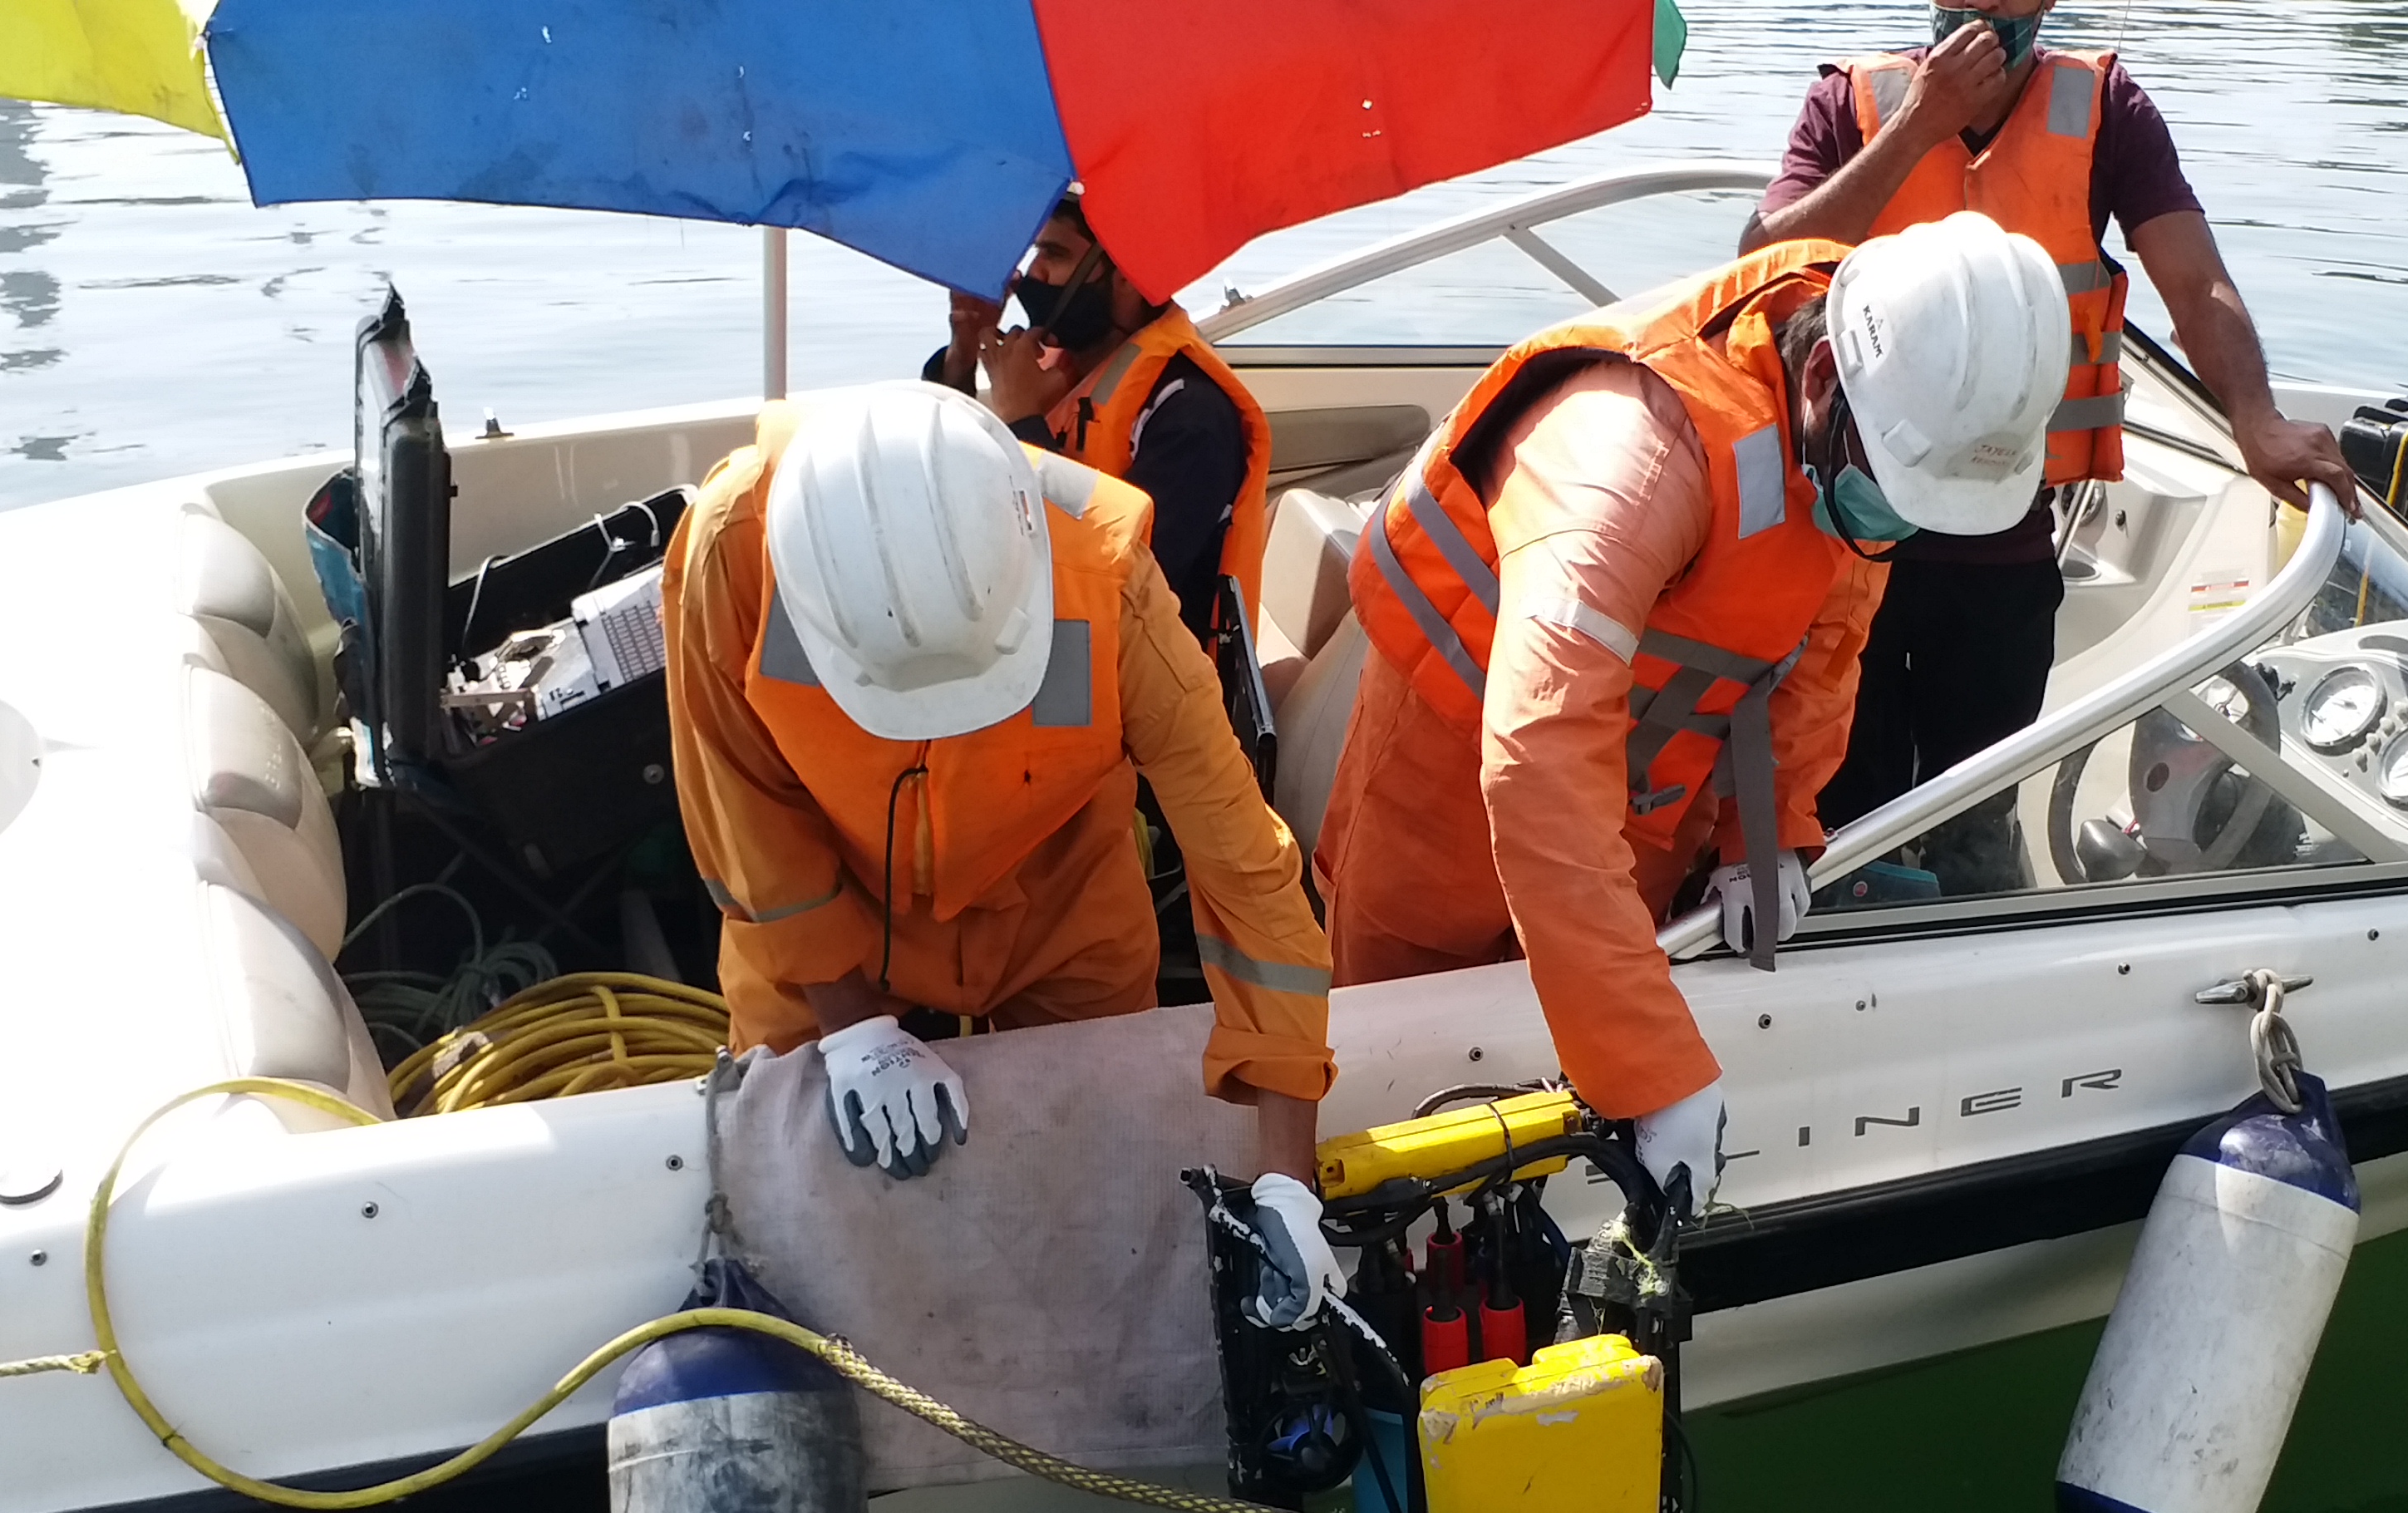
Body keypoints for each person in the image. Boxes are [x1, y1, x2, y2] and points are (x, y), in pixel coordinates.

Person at [1316, 216, 2066, 1216]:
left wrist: (1772, 831)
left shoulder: (1866, 438)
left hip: (1638, 816)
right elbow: (1535, 761)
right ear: (1819, 382)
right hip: (1443, 801)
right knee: (1403, 1084)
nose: (1898, 522)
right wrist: (1653, 1068)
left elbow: (1825, 645)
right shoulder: (1631, 450)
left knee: (1583, 1110)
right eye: (1895, 490)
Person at [662, 379, 1347, 1318]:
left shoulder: (1110, 584)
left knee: (1102, 1188)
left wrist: (1287, 1186)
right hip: (825, 921)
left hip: (1059, 907)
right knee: (805, 1200)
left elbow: (1245, 868)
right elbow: (738, 806)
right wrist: (856, 1027)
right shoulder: (729, 550)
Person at [1742, 3, 2361, 846]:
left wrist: (2256, 418)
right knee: (1841, 800)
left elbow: (2195, 281)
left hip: (2005, 525)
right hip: (1849, 533)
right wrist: (1920, 123)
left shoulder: (2109, 111)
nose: (1992, 10)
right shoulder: (1847, 106)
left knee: (1976, 805)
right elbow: (1759, 263)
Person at [929, 188, 1275, 648]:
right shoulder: (1060, 370)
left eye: (1054, 253)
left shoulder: (1191, 418)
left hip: (1138, 689)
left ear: (1129, 276)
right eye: (1036, 252)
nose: (1033, 273)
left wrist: (1024, 423)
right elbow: (956, 487)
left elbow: (1121, 585)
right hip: (1039, 634)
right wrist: (963, 355)